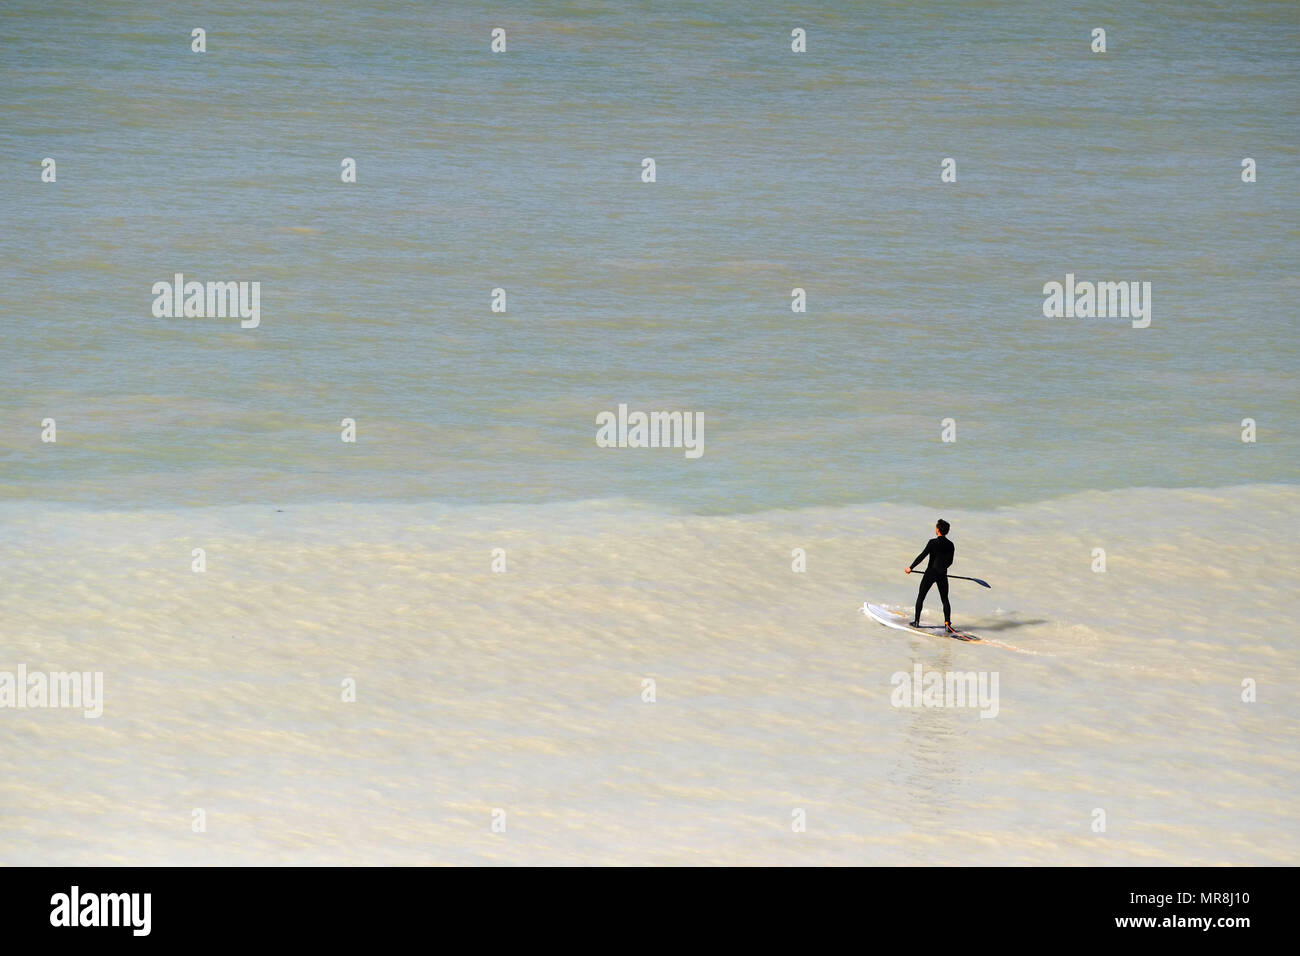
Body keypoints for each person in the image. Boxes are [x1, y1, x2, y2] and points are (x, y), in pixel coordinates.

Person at [905, 519, 954, 632]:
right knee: (945, 599)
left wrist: (910, 568)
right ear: (947, 531)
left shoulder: (932, 542)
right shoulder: (950, 545)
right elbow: (950, 562)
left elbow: (922, 556)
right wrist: (942, 569)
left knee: (921, 596)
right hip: (942, 574)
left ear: (937, 529)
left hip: (930, 573)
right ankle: (947, 624)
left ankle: (916, 622)